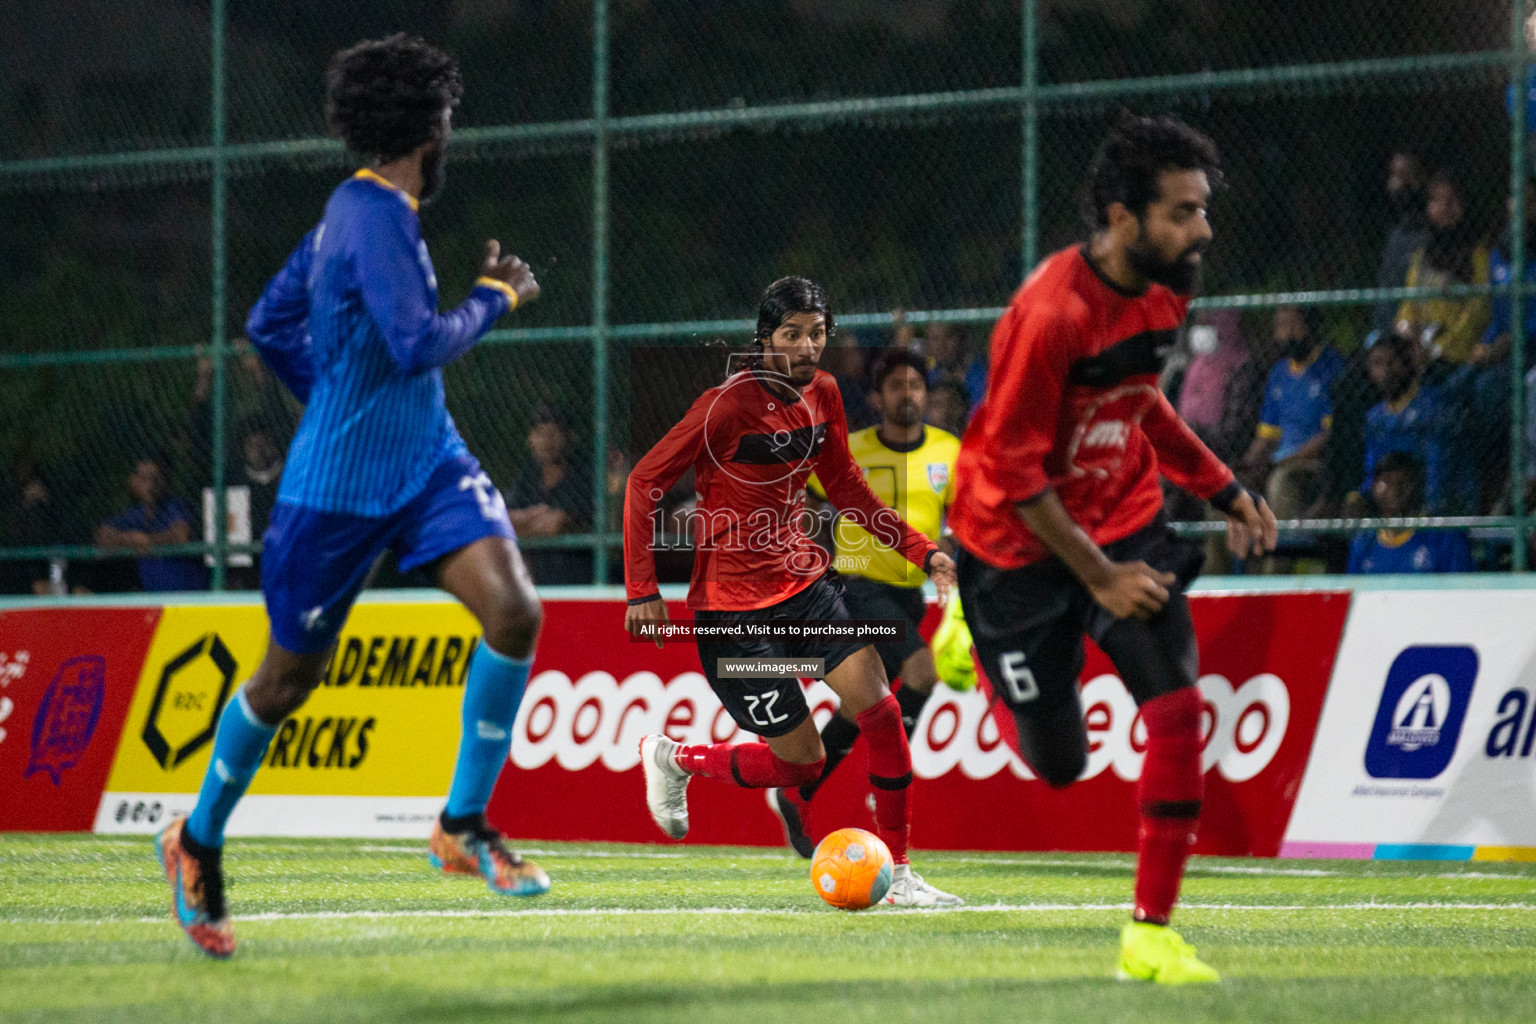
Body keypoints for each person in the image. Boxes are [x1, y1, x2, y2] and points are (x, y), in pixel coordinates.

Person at [154, 34, 549, 960]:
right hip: (337, 489)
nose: (453, 131)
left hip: (426, 463)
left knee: (515, 611)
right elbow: (416, 343)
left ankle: (462, 823)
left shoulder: (366, 213)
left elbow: (268, 320)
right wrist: (496, 295)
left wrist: (331, 382)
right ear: (428, 125)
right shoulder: (368, 215)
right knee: (288, 680)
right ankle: (197, 838)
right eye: (448, 115)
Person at [949, 112, 1277, 984]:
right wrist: (1097, 575)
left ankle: (1151, 933)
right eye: (1182, 212)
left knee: (1175, 709)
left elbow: (1140, 405)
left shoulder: (1175, 286)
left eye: (1203, 208)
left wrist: (1223, 486)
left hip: (1123, 518)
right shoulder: (1049, 313)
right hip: (1013, 545)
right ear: (1121, 217)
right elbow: (1017, 475)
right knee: (1060, 763)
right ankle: (972, 644)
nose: (1202, 228)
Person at [623, 277, 962, 908]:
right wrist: (642, 588)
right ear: (765, 339)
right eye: (791, 334)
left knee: (882, 712)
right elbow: (644, 482)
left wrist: (926, 552)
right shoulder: (726, 406)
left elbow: (850, 491)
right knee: (802, 763)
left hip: (806, 591)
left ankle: (903, 875)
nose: (808, 347)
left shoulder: (826, 394)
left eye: (818, 333)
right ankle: (675, 759)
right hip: (733, 616)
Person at [767, 347, 961, 857]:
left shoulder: (948, 451)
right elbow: (806, 501)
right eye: (895, 385)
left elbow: (961, 516)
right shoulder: (850, 448)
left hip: (909, 590)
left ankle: (796, 790)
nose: (907, 394)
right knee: (922, 673)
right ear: (877, 397)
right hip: (857, 584)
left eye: (916, 385)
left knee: (862, 705)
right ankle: (891, 784)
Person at [1238, 306, 1344, 519]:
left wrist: (1282, 463)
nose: (1284, 334)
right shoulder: (1278, 373)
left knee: (1281, 482)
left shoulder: (1332, 367)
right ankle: (1230, 552)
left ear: (1312, 327)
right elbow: (1266, 436)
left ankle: (1285, 550)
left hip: (1312, 463)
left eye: (1292, 326)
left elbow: (1328, 435)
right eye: (1280, 327)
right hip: (1278, 460)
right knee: (1227, 486)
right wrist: (1245, 464)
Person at [1351, 333, 1464, 515]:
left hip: (1433, 500)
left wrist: (1429, 508)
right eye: (1377, 364)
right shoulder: (1374, 417)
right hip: (1391, 500)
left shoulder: (1432, 405)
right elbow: (1372, 467)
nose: (1386, 372)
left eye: (1392, 362)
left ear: (1407, 363)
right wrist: (1360, 496)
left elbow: (1439, 465)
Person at [1395, 170, 1491, 368]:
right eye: (1436, 201)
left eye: (1451, 201)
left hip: (1456, 356)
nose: (1444, 208)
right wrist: (1405, 331)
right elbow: (1408, 306)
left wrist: (1440, 349)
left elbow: (1477, 312)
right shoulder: (1421, 257)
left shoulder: (1478, 256)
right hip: (1420, 350)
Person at [506, 405, 594, 584]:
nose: (547, 441)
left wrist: (526, 521)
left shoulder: (581, 475)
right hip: (535, 578)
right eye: (540, 433)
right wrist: (539, 519)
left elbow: (558, 523)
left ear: (569, 438)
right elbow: (507, 521)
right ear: (530, 439)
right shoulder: (527, 475)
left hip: (575, 577)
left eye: (554, 434)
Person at [95, 452, 209, 592]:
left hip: (189, 598)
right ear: (133, 481)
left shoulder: (177, 506)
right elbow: (102, 536)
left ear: (166, 480)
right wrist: (129, 539)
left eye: (156, 479)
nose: (150, 486)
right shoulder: (134, 514)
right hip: (155, 600)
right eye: (144, 479)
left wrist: (149, 540)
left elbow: (182, 535)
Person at [1347, 451, 1471, 574]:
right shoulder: (1364, 542)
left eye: (1403, 482)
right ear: (1374, 488)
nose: (1396, 489)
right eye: (1388, 481)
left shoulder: (1442, 535)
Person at [1371, 150, 1429, 336]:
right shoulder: (1394, 234)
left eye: (1406, 176)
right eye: (1395, 176)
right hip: (1386, 329)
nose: (1398, 185)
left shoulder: (1431, 234)